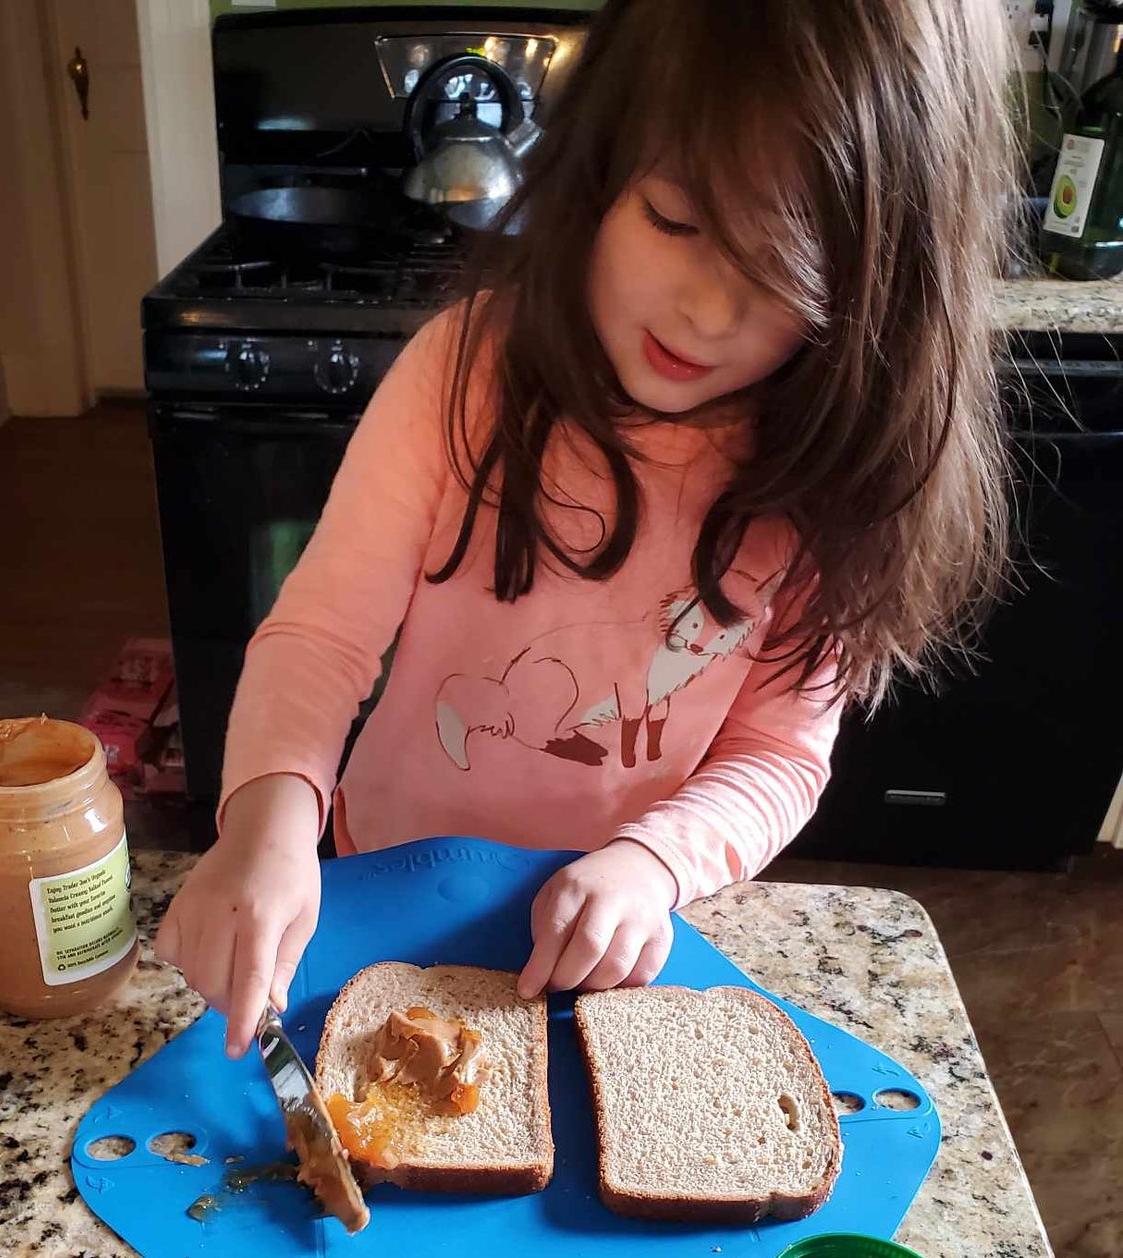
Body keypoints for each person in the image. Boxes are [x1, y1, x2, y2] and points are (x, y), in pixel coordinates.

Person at [158, 0, 1015, 1056]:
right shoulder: (462, 376)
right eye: (674, 219)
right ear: (595, 174)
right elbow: (323, 638)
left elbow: (778, 753)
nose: (705, 311)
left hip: (617, 926)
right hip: (386, 870)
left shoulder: (830, 474)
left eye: (786, 271)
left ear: (882, 300)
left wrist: (654, 865)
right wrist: (268, 813)